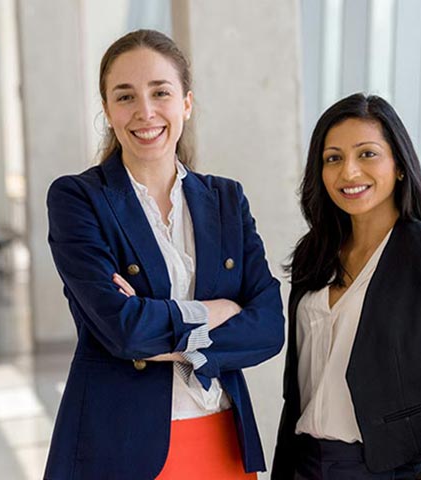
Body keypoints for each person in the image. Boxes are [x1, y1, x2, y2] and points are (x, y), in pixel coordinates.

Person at [43, 29, 284, 480]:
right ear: (108, 111)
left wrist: (158, 323)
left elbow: (269, 328)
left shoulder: (227, 200)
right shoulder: (78, 199)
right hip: (120, 445)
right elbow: (125, 332)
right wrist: (220, 310)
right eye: (125, 96)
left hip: (222, 442)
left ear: (186, 104)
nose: (145, 112)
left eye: (160, 92)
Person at [272, 93, 421, 479]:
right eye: (333, 158)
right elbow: (297, 392)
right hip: (305, 465)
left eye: (367, 154)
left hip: (389, 470)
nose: (348, 172)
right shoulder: (315, 253)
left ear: (398, 165)